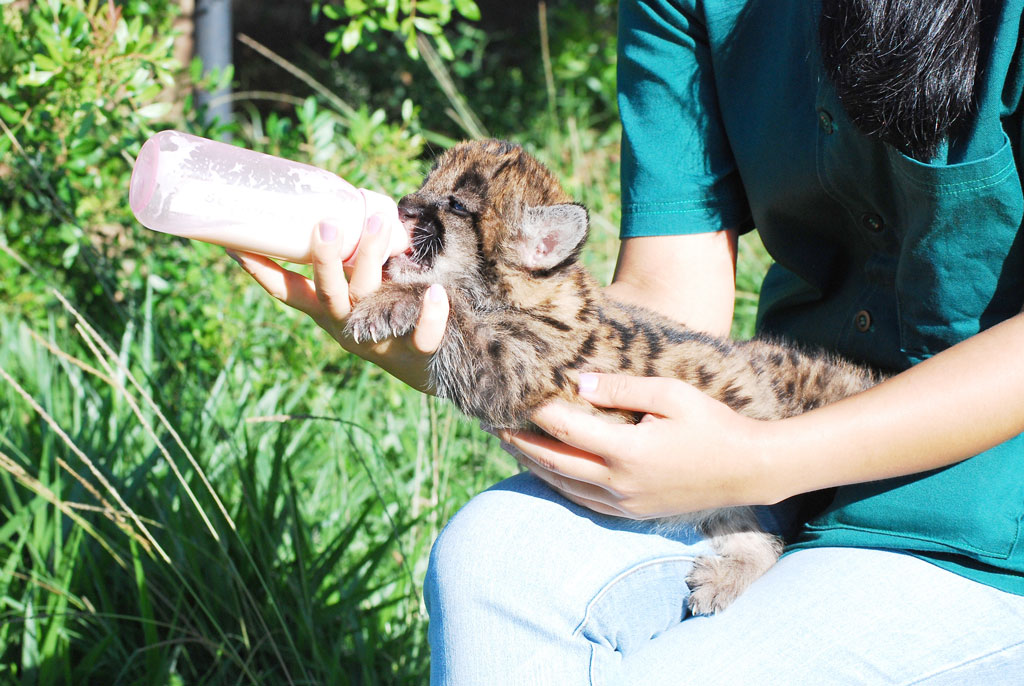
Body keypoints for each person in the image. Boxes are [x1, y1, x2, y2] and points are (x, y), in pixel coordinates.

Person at [230, 0, 1024, 682]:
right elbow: (669, 304)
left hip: (983, 521)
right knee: (489, 559)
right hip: (768, 436)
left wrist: (759, 462)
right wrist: (448, 348)